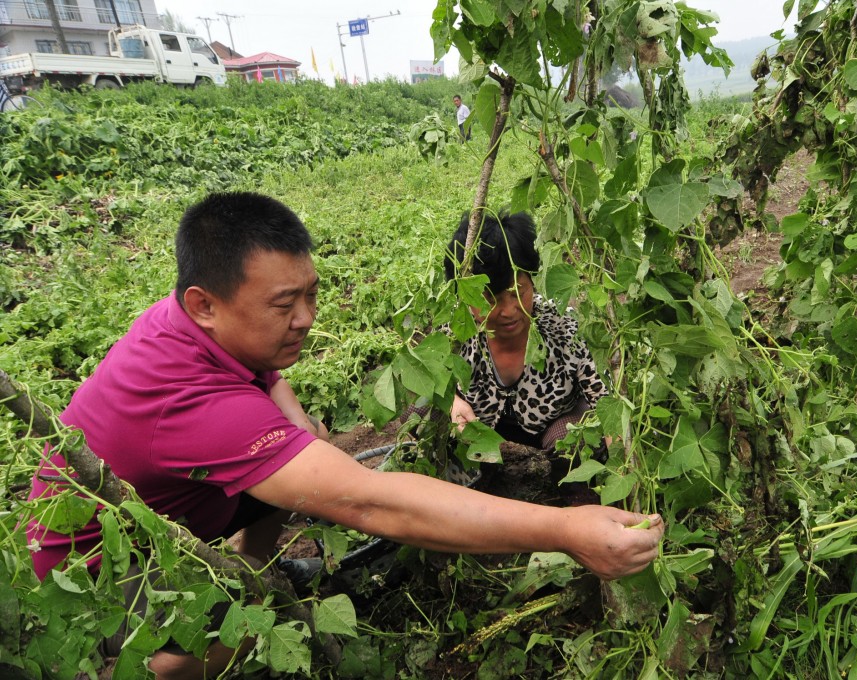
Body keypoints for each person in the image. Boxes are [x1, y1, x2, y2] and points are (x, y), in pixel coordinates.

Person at [26, 192, 662, 679]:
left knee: (299, 456)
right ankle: (157, 662)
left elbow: (266, 374)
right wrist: (566, 531)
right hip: (95, 576)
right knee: (261, 627)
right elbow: (369, 501)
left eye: (311, 295)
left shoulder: (195, 322)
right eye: (285, 305)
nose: (306, 319)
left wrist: (299, 429)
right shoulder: (193, 404)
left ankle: (253, 564)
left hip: (166, 508)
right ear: (205, 303)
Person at [444, 212, 607, 452]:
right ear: (466, 296)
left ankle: (564, 486)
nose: (509, 311)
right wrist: (451, 404)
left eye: (517, 292)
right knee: (422, 411)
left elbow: (605, 400)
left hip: (551, 429)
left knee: (570, 440)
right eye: (491, 299)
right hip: (481, 435)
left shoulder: (565, 327)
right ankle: (474, 479)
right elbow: (427, 382)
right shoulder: (456, 332)